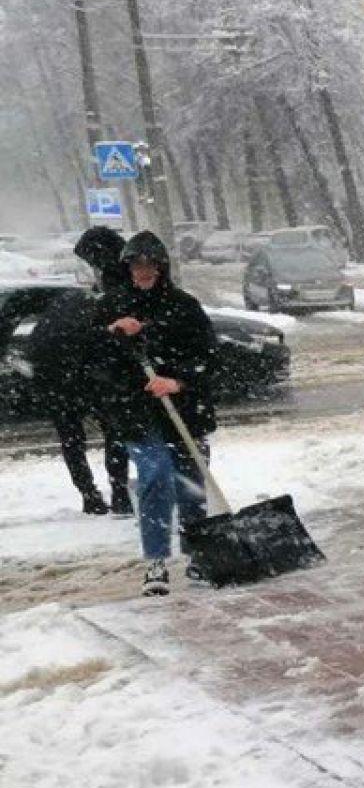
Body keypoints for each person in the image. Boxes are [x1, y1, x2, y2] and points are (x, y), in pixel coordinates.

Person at [99, 232, 216, 595]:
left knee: (190, 483)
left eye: (150, 265)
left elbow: (209, 358)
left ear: (162, 267)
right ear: (128, 267)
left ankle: (197, 554)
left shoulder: (184, 306)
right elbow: (95, 362)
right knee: (155, 476)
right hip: (137, 412)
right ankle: (156, 562)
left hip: (184, 408)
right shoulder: (113, 306)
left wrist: (177, 382)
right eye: (136, 265)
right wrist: (114, 335)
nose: (143, 272)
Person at [11, 227, 135, 515]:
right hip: (89, 374)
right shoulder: (107, 292)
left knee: (73, 437)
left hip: (59, 374)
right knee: (113, 432)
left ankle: (91, 495)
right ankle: (117, 493)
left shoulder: (76, 300)